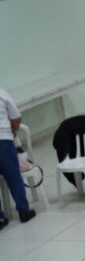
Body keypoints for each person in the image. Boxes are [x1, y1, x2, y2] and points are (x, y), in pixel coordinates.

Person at [0, 88, 36, 229]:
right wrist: (12, 131)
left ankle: (1, 219)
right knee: (14, 177)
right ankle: (24, 211)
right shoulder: (2, 93)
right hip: (3, 141)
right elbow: (16, 118)